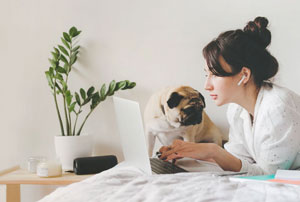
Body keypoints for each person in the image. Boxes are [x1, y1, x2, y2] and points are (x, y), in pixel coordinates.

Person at [159, 16, 300, 175]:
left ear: (244, 75)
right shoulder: (236, 108)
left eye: (215, 75)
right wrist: (192, 153)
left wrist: (214, 151)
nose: (207, 85)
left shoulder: (278, 108)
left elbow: (268, 176)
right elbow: (239, 160)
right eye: (207, 75)